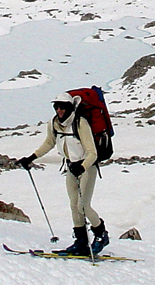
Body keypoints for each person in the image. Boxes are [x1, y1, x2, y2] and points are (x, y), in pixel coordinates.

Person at [17, 94, 110, 256]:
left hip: (86, 168)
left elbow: (92, 153)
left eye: (62, 106)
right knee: (74, 205)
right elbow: (49, 143)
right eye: (56, 106)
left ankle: (101, 234)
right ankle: (81, 242)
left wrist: (82, 167)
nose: (59, 110)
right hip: (71, 167)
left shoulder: (80, 123)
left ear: (70, 107)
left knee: (83, 206)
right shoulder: (55, 124)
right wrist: (31, 158)